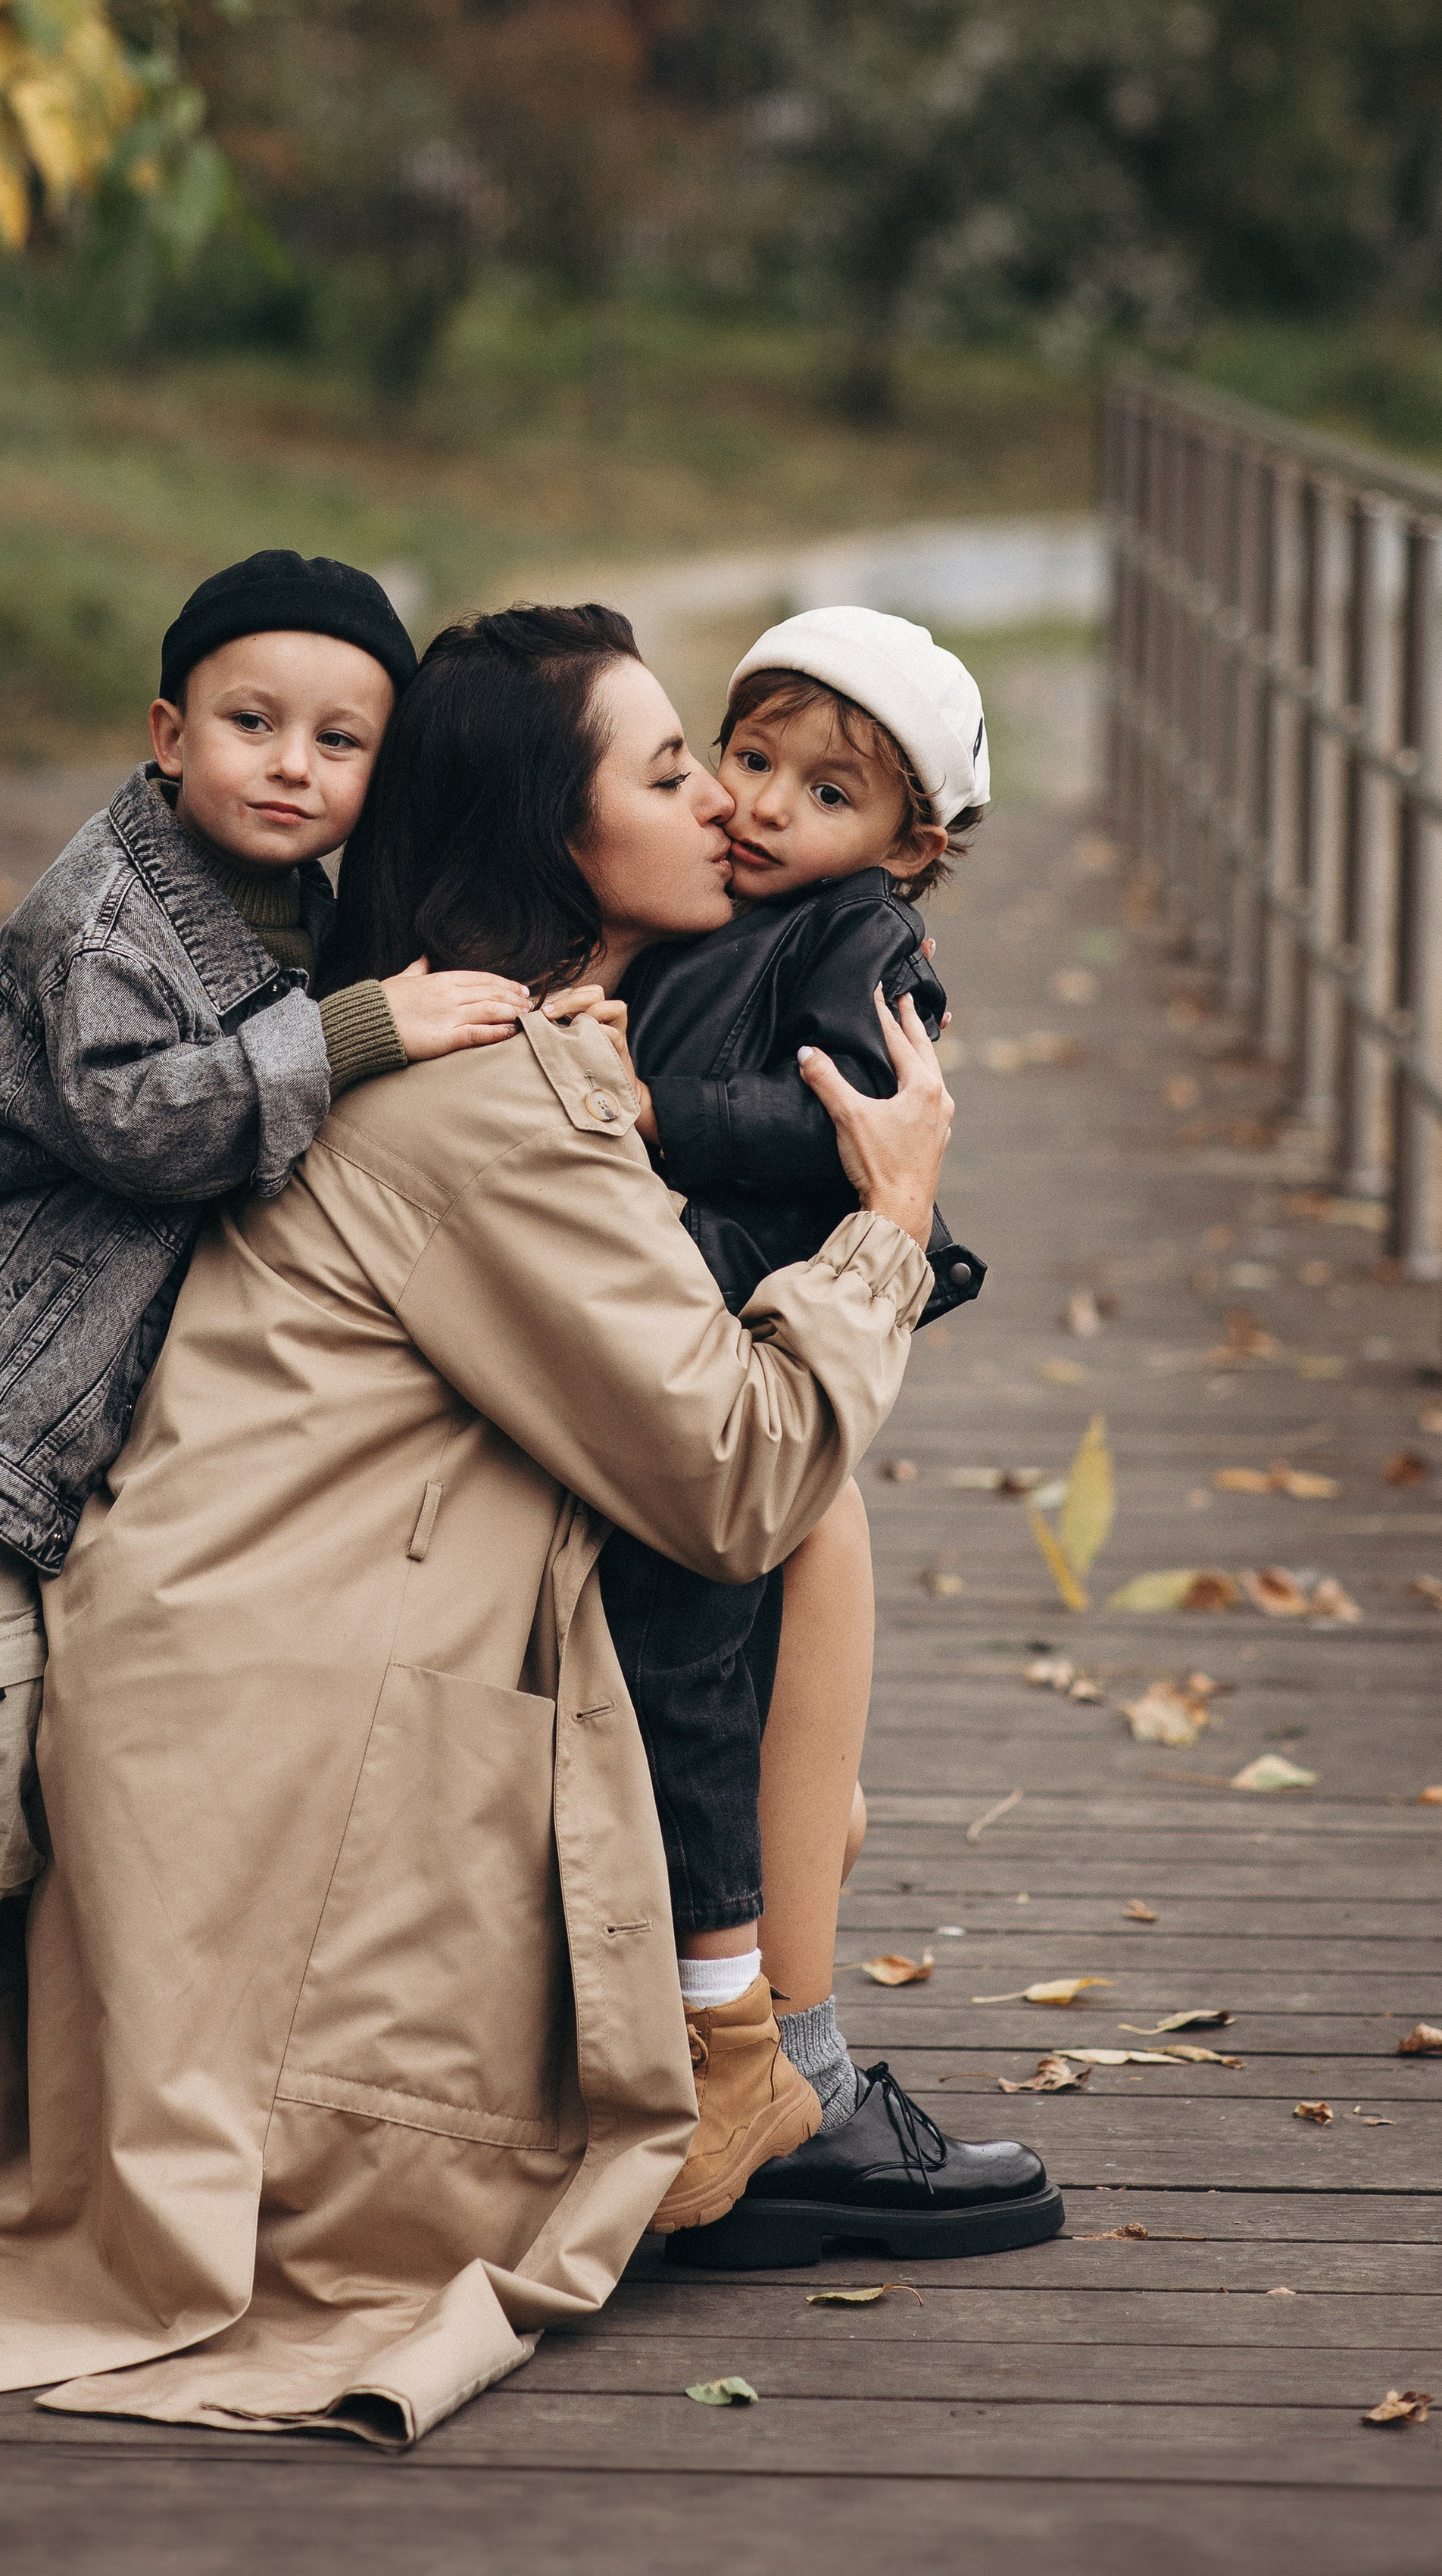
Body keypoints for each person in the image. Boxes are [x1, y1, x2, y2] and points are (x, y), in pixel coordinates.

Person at [0, 603, 1053, 2447]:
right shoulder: (485, 1103)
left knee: (798, 1520)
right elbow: (731, 1473)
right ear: (552, 835)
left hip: (243, 1680)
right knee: (788, 1491)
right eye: (677, 767)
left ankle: (774, 2064)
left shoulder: (502, 1049)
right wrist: (891, 1218)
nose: (726, 811)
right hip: (274, 1773)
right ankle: (763, 2081)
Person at [0, 549, 527, 2112]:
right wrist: (367, 1030)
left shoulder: (309, 915)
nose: (291, 764)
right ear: (168, 734)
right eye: (252, 721)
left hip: (68, 1419)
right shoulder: (99, 921)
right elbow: (138, 1123)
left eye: (338, 739)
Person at [597, 606, 997, 2239]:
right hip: (693, 1281)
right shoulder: (710, 910)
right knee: (743, 1679)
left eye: (819, 794)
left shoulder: (853, 943)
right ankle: (758, 2045)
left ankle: (766, 2052)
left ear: (906, 849)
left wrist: (653, 1110)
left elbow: (843, 1115)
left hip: (758, 1277)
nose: (761, 806)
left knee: (731, 1633)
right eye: (746, 758)